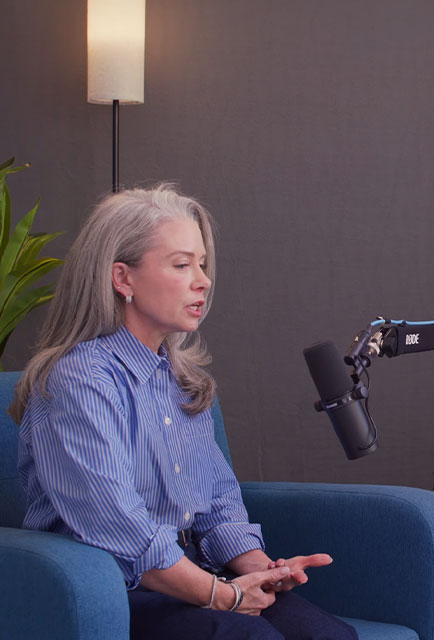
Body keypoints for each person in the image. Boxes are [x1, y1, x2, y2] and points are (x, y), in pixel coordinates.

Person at [12, 185, 358, 639]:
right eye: (181, 265)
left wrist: (260, 571)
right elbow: (119, 525)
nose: (203, 280)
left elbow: (216, 502)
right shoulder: (78, 380)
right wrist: (226, 596)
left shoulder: (182, 380)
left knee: (331, 636)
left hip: (197, 575)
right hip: (114, 590)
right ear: (123, 278)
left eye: (202, 264)